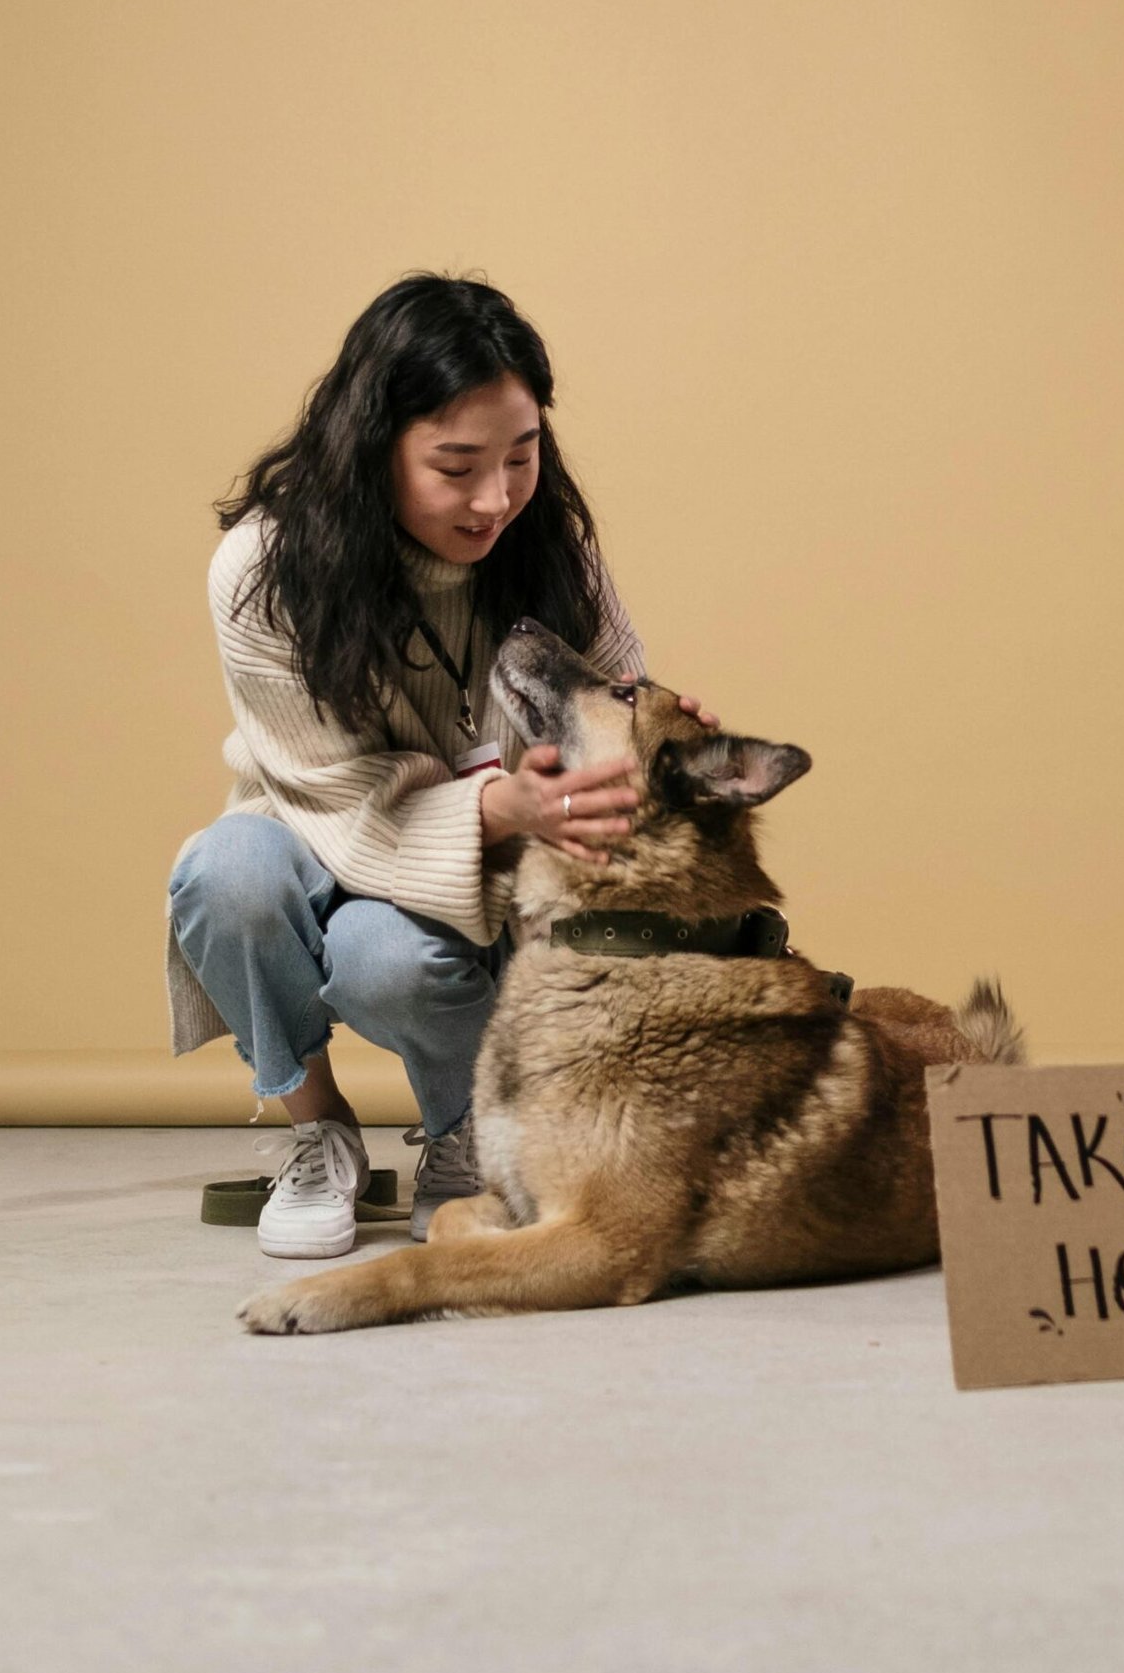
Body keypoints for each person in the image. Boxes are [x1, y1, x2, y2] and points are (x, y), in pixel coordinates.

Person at [164, 271, 717, 1257]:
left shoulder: (549, 547)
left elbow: (609, 705)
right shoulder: (261, 571)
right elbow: (333, 792)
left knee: (387, 956)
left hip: (493, 868)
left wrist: (658, 738)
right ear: (372, 445)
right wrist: (500, 805)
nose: (494, 498)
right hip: (320, 826)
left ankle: (469, 1134)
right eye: (455, 466)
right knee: (224, 875)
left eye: (521, 455)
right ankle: (318, 1134)